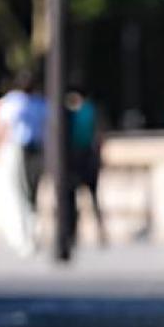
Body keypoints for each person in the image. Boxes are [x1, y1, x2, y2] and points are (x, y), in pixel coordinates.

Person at [0, 72, 49, 257]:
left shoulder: (10, 103)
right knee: (31, 191)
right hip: (36, 148)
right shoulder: (40, 103)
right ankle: (32, 229)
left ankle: (23, 236)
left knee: (18, 192)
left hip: (16, 148)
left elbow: (2, 128)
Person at [66, 85, 107, 247]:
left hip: (79, 158)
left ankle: (74, 234)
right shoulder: (91, 111)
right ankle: (99, 232)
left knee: (79, 198)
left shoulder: (74, 113)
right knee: (92, 197)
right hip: (88, 158)